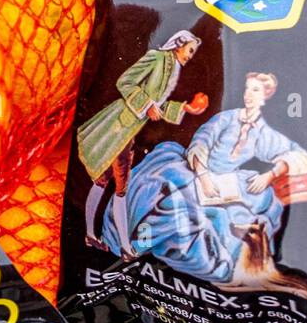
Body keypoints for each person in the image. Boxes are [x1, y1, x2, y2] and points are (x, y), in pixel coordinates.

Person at [103, 72, 307, 284]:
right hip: (195, 170)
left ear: (265, 95)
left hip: (227, 182)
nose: (249, 95)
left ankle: (229, 268)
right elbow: (201, 143)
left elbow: (299, 156)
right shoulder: (226, 119)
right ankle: (133, 245)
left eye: (255, 90)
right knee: (171, 195)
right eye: (247, 89)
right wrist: (204, 177)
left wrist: (271, 173)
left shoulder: (263, 132)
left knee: (261, 205)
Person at [77, 31, 208, 259]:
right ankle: (124, 247)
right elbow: (125, 82)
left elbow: (158, 106)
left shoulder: (173, 68)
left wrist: (185, 109)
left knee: (104, 181)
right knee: (119, 186)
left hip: (130, 131)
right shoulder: (157, 58)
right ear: (179, 44)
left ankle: (91, 235)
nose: (191, 55)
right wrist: (146, 104)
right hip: (119, 125)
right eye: (190, 49)